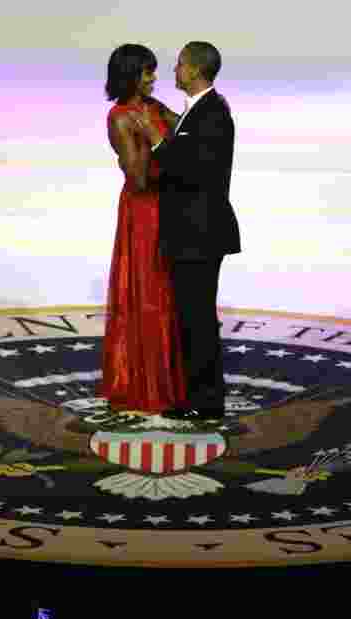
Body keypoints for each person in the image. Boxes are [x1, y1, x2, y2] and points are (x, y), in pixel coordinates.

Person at [130, 41, 241, 422]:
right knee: (192, 317)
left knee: (197, 320)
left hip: (200, 234)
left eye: (179, 65)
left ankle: (205, 403)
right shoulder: (202, 110)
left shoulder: (212, 114)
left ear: (194, 70)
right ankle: (199, 395)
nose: (173, 71)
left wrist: (156, 138)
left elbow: (191, 170)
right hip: (195, 232)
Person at [98, 44, 187, 413]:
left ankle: (173, 379)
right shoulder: (119, 118)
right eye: (147, 72)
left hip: (169, 205)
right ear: (130, 75)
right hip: (144, 212)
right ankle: (144, 384)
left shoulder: (153, 107)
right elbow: (137, 178)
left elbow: (188, 132)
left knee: (171, 292)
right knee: (150, 292)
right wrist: (154, 140)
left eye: (153, 71)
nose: (154, 78)